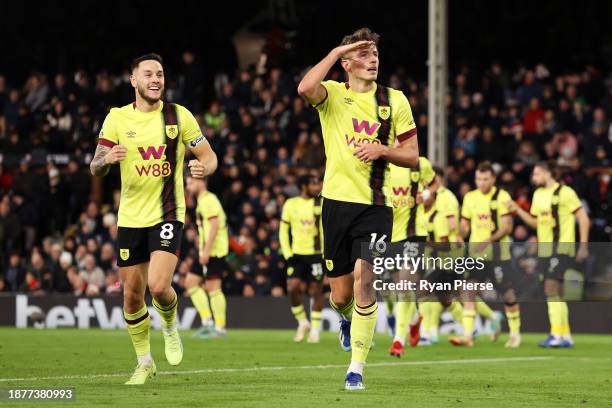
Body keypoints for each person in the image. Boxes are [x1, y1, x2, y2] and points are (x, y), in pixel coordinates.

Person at [297, 28, 419, 390]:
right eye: (364, 55)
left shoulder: (394, 101)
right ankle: (346, 320)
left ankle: (356, 369)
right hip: (335, 204)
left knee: (366, 280)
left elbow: (412, 156)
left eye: (375, 54)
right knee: (340, 295)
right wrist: (336, 51)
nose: (373, 60)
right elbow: (304, 88)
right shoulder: (333, 93)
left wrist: (383, 150)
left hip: (376, 207)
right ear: (347, 63)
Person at [90, 53, 217, 385]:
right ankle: (144, 361)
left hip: (167, 213)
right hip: (130, 217)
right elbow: (95, 165)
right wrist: (107, 159)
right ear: (134, 81)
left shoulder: (178, 116)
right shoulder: (117, 118)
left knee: (159, 286)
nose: (155, 79)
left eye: (159, 74)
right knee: (132, 295)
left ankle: (171, 327)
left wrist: (205, 167)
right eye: (147, 74)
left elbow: (209, 155)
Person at [507, 161, 590, 347]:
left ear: (547, 173)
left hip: (562, 248)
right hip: (545, 250)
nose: (533, 178)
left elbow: (583, 219)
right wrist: (518, 210)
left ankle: (556, 335)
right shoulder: (538, 195)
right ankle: (565, 335)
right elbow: (536, 223)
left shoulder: (566, 193)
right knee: (556, 292)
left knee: (550, 288)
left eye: (536, 174)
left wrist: (583, 245)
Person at [450, 161, 522, 348]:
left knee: (507, 294)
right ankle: (467, 335)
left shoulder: (502, 196)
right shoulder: (469, 198)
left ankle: (515, 334)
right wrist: (459, 234)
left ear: (493, 179)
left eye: (485, 179)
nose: (481, 182)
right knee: (467, 289)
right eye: (478, 179)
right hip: (476, 254)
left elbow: (508, 226)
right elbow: (466, 225)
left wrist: (488, 241)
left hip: (498, 253)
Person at [387, 156, 438, 357]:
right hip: (390, 234)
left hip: (414, 232)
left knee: (404, 284)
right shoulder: (382, 162)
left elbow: (435, 184)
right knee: (401, 287)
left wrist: (425, 193)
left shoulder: (419, 163)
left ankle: (398, 340)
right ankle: (415, 318)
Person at [279, 174, 324, 343]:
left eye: (318, 183)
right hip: (297, 255)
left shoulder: (321, 202)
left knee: (315, 291)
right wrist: (287, 254)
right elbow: (283, 231)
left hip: (317, 254)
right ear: (303, 186)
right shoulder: (291, 204)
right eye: (313, 183)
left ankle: (315, 331)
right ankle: (303, 322)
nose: (317, 186)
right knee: (292, 287)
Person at [185, 176, 229, 338]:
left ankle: (219, 328)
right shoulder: (203, 200)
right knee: (191, 282)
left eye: (191, 183)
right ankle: (208, 322)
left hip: (214, 251)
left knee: (213, 287)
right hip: (207, 250)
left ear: (201, 182)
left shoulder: (209, 200)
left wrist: (206, 251)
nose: (188, 186)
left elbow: (215, 225)